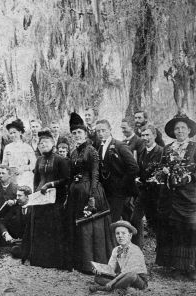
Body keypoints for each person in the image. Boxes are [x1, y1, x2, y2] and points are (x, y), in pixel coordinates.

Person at [66, 113, 114, 273]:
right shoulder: (73, 152)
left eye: (79, 132)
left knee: (91, 227)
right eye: (74, 133)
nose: (76, 135)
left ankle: (93, 264)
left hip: (90, 192)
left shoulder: (91, 150)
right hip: (76, 193)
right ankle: (81, 262)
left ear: (86, 134)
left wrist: (92, 196)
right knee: (79, 226)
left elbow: (95, 174)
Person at [156, 112, 196, 280]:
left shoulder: (194, 147)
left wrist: (188, 177)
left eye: (182, 128)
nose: (180, 131)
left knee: (191, 229)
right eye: (177, 128)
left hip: (190, 196)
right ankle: (178, 267)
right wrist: (163, 173)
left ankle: (192, 267)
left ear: (188, 130)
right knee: (175, 230)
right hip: (171, 196)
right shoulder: (168, 148)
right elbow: (161, 167)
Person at [22, 130, 69, 270]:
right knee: (39, 228)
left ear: (53, 144)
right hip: (40, 199)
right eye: (40, 144)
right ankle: (38, 259)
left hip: (54, 199)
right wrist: (36, 194)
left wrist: (51, 184)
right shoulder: (39, 160)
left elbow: (66, 179)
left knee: (53, 228)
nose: (43, 145)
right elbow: (36, 180)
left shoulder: (60, 160)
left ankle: (53, 261)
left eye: (46, 143)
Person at [95, 119, 139, 222]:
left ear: (110, 130)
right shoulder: (99, 147)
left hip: (120, 191)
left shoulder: (120, 146)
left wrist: (122, 184)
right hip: (108, 191)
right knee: (120, 218)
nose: (101, 134)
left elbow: (134, 167)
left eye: (103, 130)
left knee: (118, 219)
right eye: (98, 131)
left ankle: (134, 237)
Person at [89, 220, 148, 293]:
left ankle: (102, 288)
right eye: (117, 233)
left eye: (123, 233)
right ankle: (123, 288)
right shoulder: (116, 250)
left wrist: (112, 282)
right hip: (121, 277)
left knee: (131, 275)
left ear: (130, 235)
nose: (120, 236)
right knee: (97, 278)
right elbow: (111, 268)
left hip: (138, 280)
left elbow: (127, 271)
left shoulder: (135, 249)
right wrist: (100, 271)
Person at [130, 123, 163, 248]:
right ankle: (137, 247)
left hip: (156, 194)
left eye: (148, 135)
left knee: (156, 223)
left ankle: (161, 250)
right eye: (143, 135)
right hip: (143, 192)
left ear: (154, 135)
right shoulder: (142, 152)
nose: (145, 137)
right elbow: (139, 170)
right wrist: (137, 178)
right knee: (135, 219)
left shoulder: (161, 151)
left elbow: (162, 171)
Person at [0, 186, 31, 258]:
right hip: (17, 241)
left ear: (27, 196)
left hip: (31, 241)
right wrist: (6, 234)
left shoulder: (35, 208)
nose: (17, 198)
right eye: (17, 195)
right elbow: (2, 222)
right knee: (15, 251)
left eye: (20, 195)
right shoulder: (15, 208)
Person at [2, 119, 36, 191]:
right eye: (11, 133)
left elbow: (34, 163)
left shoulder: (27, 147)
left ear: (20, 132)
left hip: (25, 175)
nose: (13, 135)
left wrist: (23, 169)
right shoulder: (7, 147)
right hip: (12, 176)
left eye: (15, 132)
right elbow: (4, 164)